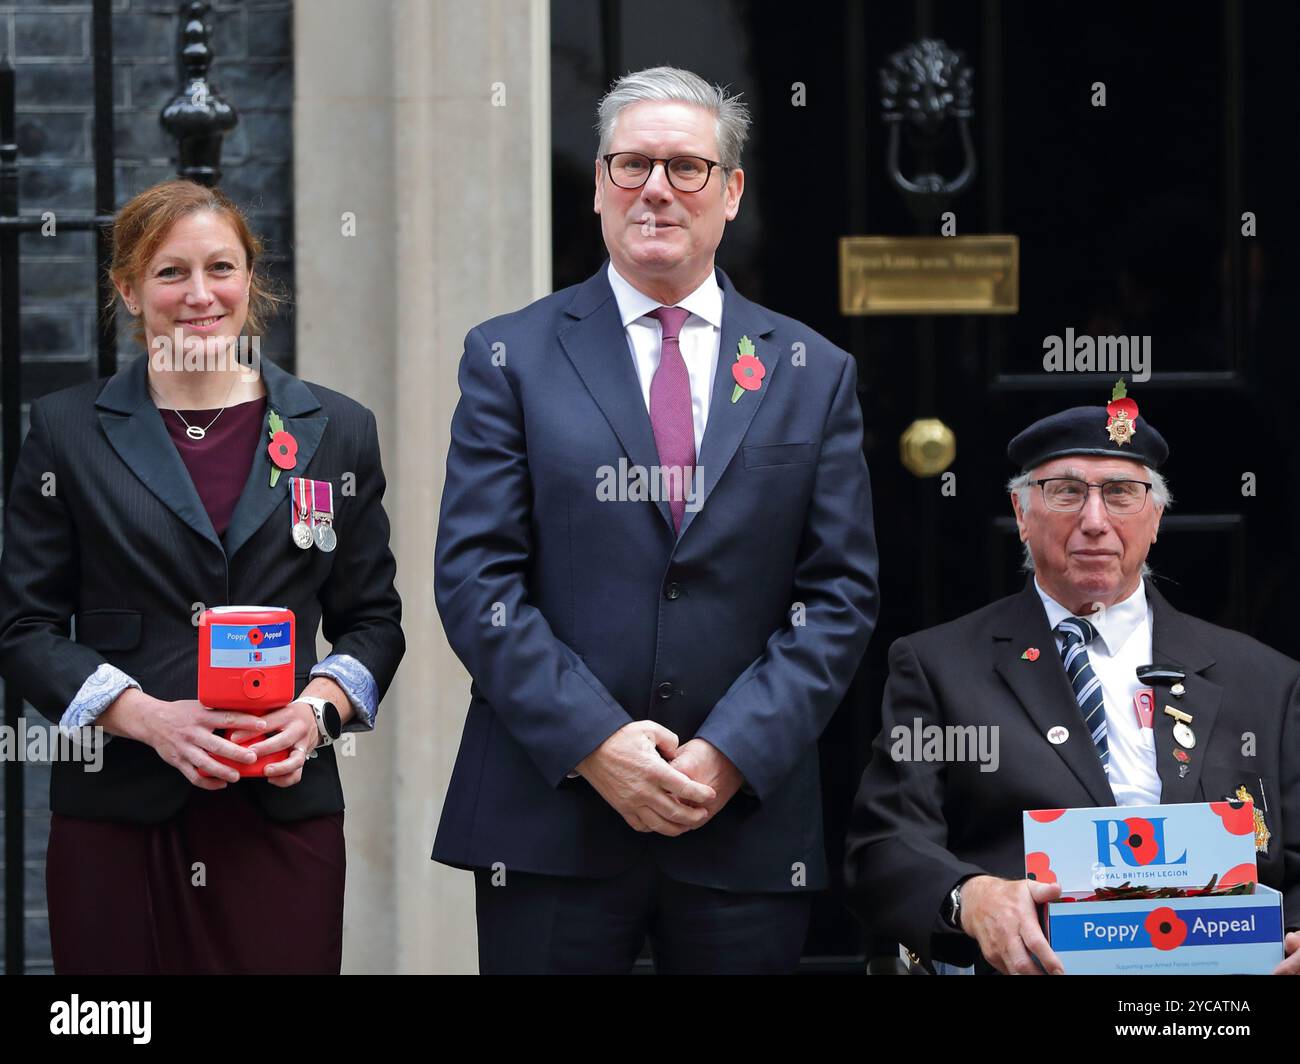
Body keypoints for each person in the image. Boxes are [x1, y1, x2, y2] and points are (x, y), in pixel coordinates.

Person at [433, 66, 878, 974]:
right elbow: (476, 578)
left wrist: (731, 750)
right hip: (550, 820)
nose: (657, 190)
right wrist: (595, 744)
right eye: (632, 164)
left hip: (741, 826)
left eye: (686, 167)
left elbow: (838, 596)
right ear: (599, 185)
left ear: (732, 191)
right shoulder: (509, 356)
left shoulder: (811, 368)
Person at [0, 179, 405, 974]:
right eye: (169, 272)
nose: (199, 295)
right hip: (119, 811)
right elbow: (23, 629)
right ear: (127, 288)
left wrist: (317, 715)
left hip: (281, 811)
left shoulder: (337, 430)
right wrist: (149, 719)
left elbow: (374, 622)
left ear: (250, 280)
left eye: (220, 268)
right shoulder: (65, 430)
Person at [843, 384, 1300, 975]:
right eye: (1064, 493)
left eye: (1121, 494)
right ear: (1021, 515)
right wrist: (968, 898)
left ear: (1156, 516)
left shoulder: (1264, 680)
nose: (1094, 521)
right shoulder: (938, 667)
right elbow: (883, 851)